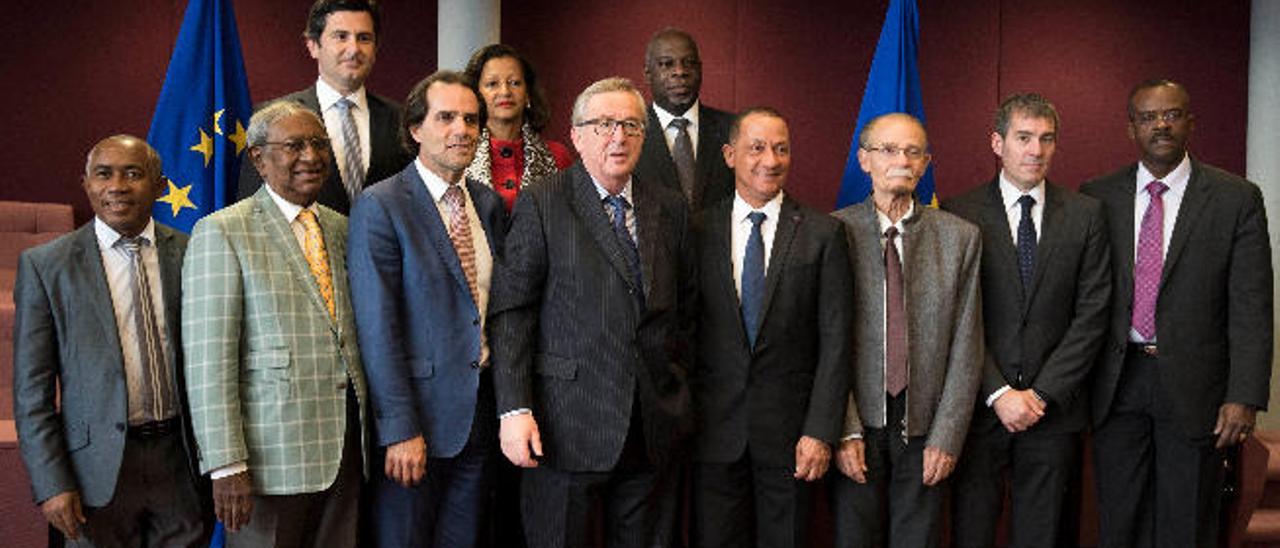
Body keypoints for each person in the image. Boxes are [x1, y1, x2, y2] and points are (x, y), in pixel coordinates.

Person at [489, 77, 696, 548]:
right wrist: (514, 407)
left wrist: (680, 392)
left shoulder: (670, 207)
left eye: (629, 124)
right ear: (577, 135)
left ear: (644, 136)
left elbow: (686, 311)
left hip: (653, 425)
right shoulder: (543, 202)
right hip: (565, 424)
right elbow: (513, 313)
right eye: (603, 124)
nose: (617, 137)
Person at [1081, 79, 1272, 548]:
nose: (1161, 125)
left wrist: (1243, 395)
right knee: (1118, 518)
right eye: (1148, 117)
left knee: (1186, 523)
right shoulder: (1096, 197)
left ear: (1191, 121)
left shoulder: (1236, 198)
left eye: (1172, 114)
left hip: (1197, 389)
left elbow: (1251, 304)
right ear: (1131, 129)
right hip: (1116, 381)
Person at [184, 101, 368, 548]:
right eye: (294, 146)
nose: (311, 156)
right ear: (258, 158)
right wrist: (226, 464)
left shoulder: (345, 227)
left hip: (345, 449)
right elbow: (209, 359)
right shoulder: (222, 231)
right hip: (268, 459)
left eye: (319, 144)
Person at [13, 135, 212, 547]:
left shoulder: (196, 253)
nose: (117, 186)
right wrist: (51, 482)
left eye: (133, 174)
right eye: (104, 174)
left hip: (181, 465)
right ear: (86, 184)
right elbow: (31, 392)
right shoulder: (46, 266)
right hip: (94, 474)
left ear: (159, 186)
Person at [943, 93, 1111, 548]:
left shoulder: (1086, 215)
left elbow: (1092, 316)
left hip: (1053, 412)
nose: (1035, 150)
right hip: (978, 410)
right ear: (997, 143)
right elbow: (956, 316)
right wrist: (998, 392)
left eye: (1046, 139)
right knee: (971, 534)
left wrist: (1039, 394)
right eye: (1023, 138)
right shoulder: (957, 214)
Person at [347, 70, 507, 547]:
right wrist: (399, 429)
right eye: (446, 118)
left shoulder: (487, 203)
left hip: (479, 414)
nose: (462, 129)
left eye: (471, 119)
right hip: (415, 423)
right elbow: (378, 326)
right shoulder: (382, 205)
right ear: (415, 129)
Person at [690, 107, 853, 548]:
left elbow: (837, 344)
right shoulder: (697, 229)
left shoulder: (823, 234)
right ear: (729, 155)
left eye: (781, 149)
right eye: (757, 148)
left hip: (792, 439)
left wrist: (820, 430)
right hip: (712, 436)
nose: (771, 159)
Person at [829, 113, 983, 548]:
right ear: (864, 160)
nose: (902, 160)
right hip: (856, 422)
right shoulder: (833, 232)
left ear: (926, 162)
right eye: (889, 150)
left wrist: (947, 435)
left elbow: (967, 346)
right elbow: (825, 347)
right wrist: (844, 428)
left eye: (913, 151)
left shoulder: (960, 237)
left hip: (927, 426)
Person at [236, 0, 411, 215]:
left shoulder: (402, 120)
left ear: (375, 49)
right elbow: (253, 208)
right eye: (341, 36)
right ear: (313, 45)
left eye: (364, 38)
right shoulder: (273, 120)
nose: (354, 49)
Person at [463, 43, 574, 212]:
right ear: (475, 94)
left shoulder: (557, 156)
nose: (505, 91)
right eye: (492, 84)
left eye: (514, 83)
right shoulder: (460, 154)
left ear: (527, 93)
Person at [636, 27, 735, 212]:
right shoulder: (629, 134)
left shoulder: (733, 129)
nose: (680, 72)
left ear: (700, 69)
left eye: (689, 63)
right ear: (648, 74)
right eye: (667, 64)